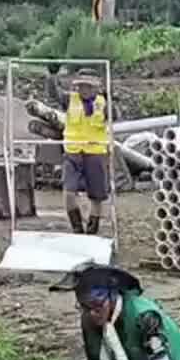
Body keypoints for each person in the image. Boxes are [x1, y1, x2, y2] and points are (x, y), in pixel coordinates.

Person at [49, 68, 112, 236]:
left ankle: (92, 228)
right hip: (73, 152)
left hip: (95, 152)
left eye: (88, 86)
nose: (84, 89)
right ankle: (77, 227)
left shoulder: (104, 102)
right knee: (69, 192)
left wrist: (110, 100)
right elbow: (53, 93)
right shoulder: (70, 99)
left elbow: (115, 117)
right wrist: (52, 76)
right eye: (81, 86)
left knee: (97, 195)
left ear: (95, 88)